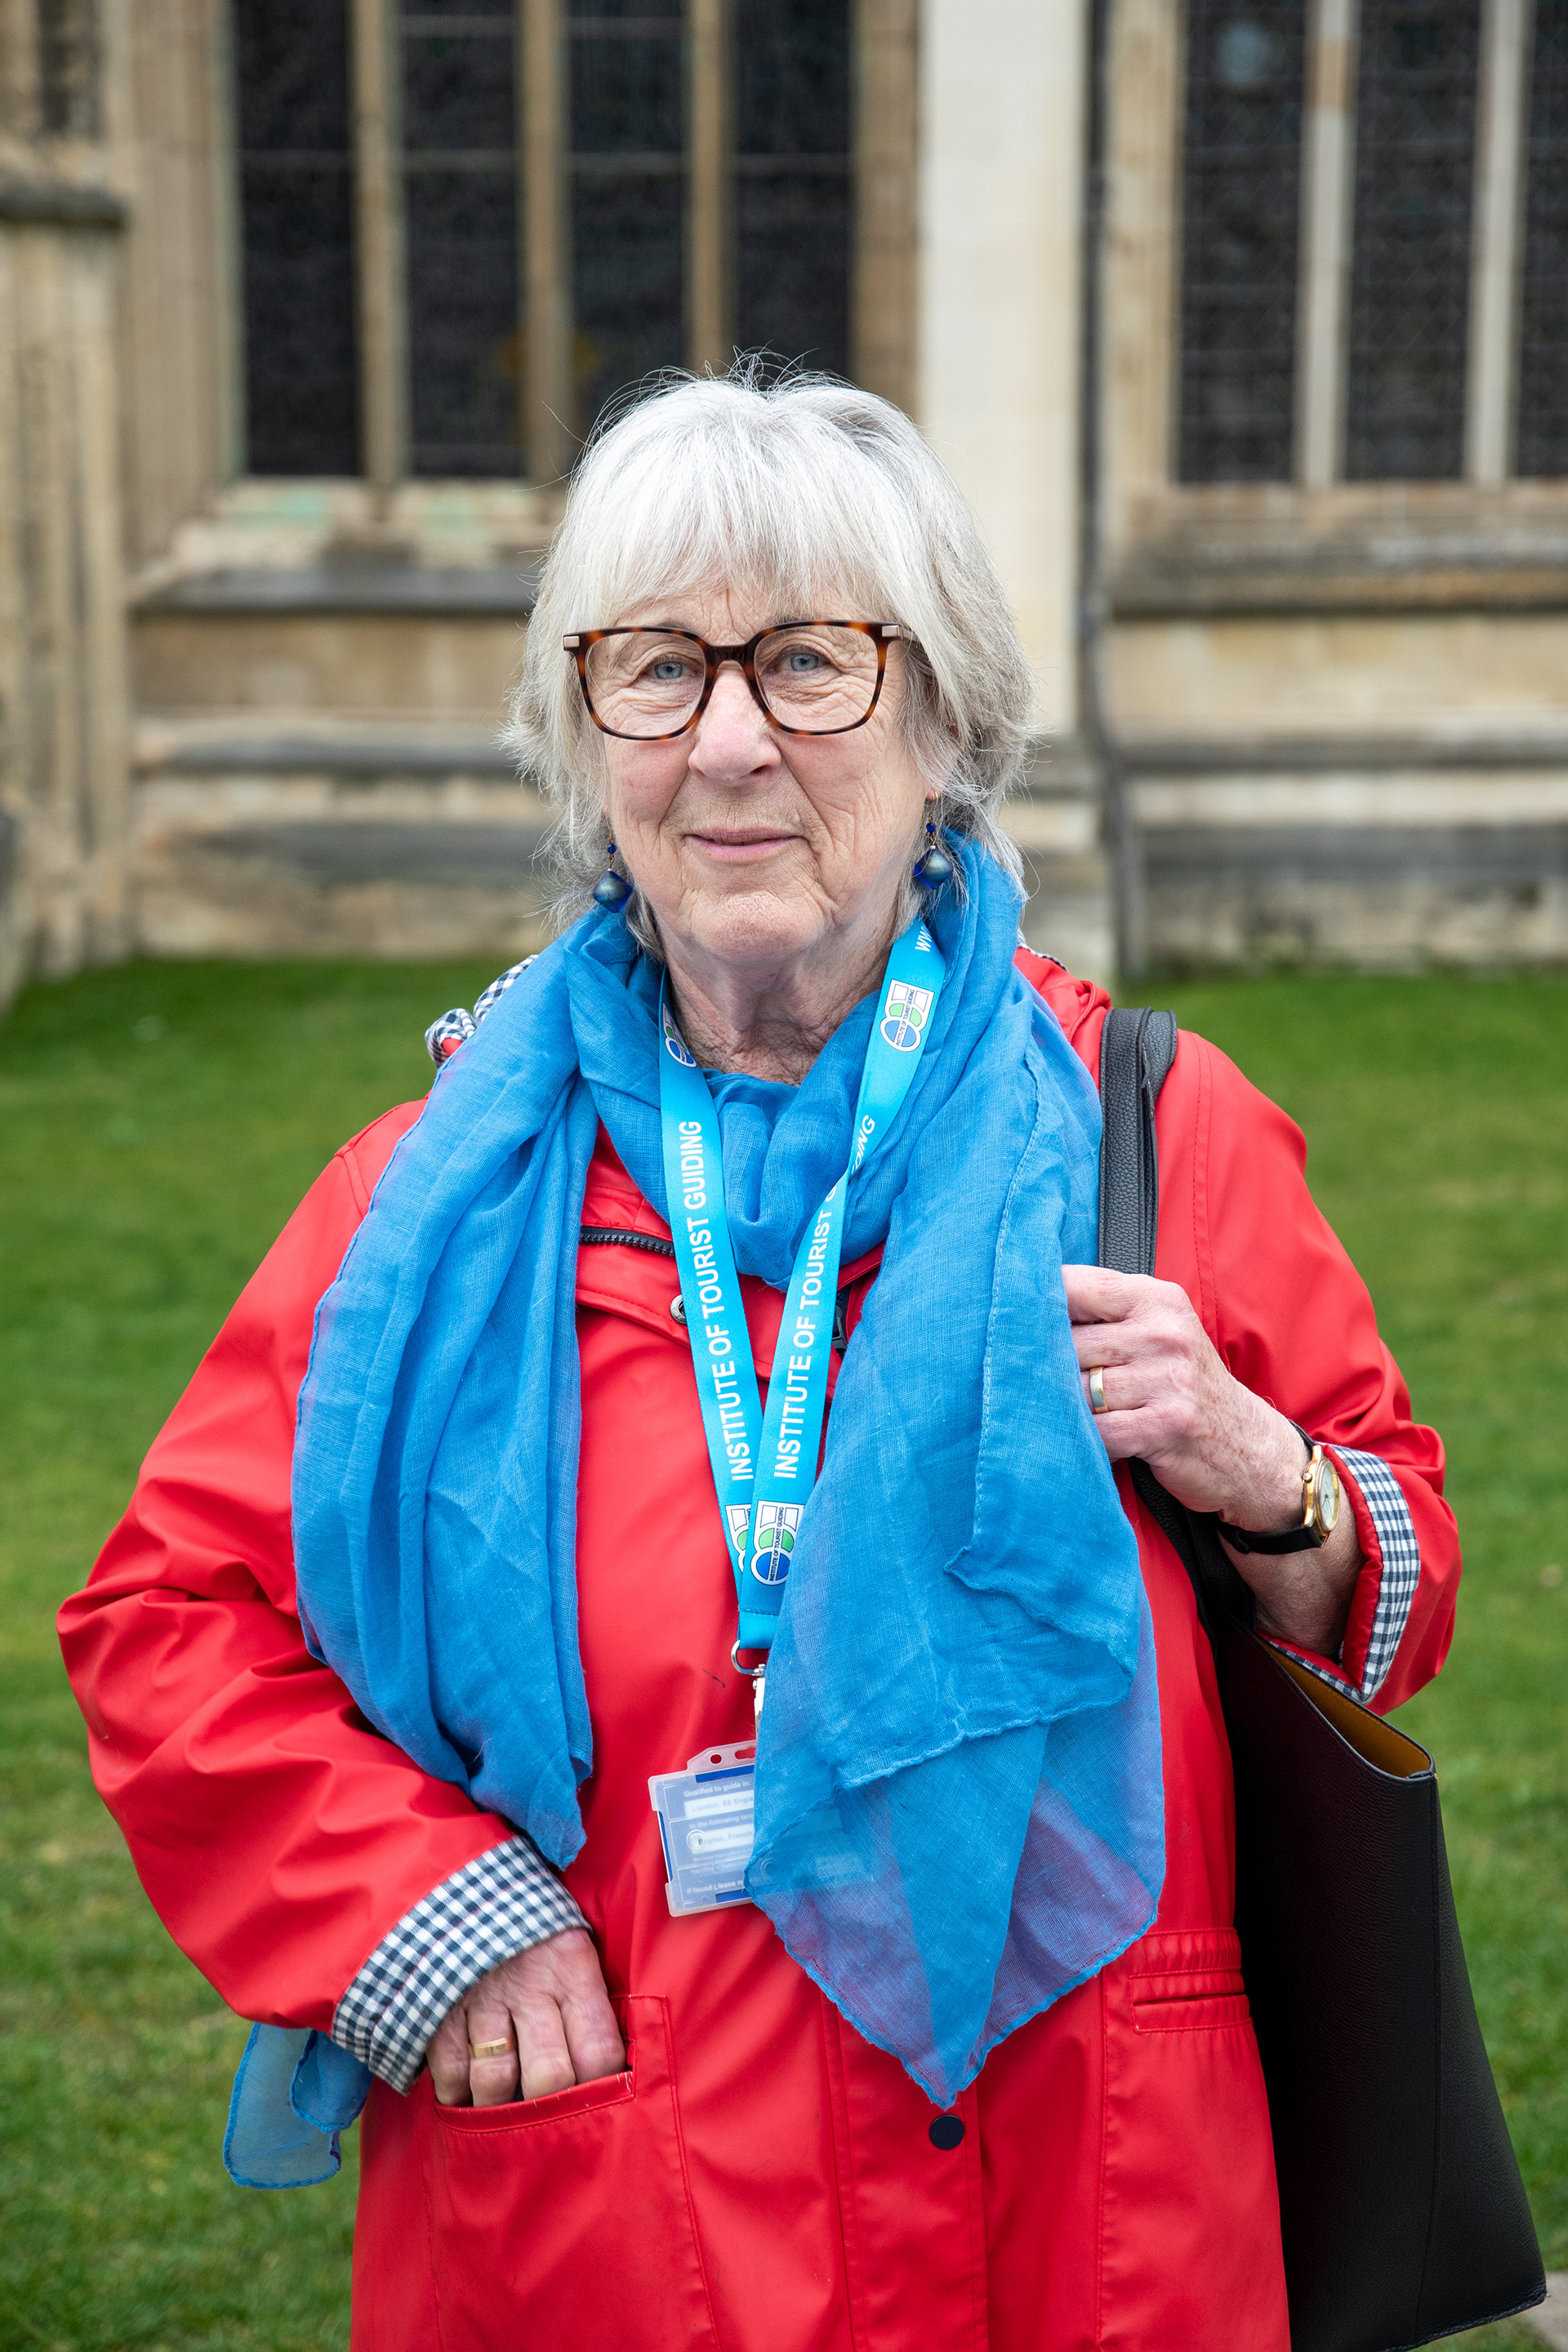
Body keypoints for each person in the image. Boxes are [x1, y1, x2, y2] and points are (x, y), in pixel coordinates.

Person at [60, 371, 1459, 2352]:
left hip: (1091, 2214)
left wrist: (1271, 1477)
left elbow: (1392, 1589)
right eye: (656, 669)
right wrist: (418, 1918)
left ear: (943, 717)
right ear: (585, 735)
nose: (729, 742)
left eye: (811, 662)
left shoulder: (1155, 1126)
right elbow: (171, 1622)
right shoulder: (425, 1205)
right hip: (616, 2232)